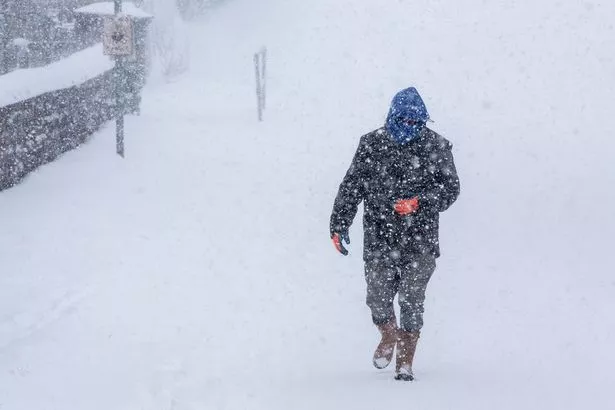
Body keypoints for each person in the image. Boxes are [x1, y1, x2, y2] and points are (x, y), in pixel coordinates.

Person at [329, 87, 460, 381]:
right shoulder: (371, 144)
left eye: (417, 123)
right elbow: (352, 186)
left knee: (413, 299)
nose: (411, 128)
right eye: (404, 121)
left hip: (420, 240)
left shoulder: (436, 146)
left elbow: (451, 189)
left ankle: (405, 361)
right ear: (392, 116)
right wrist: (339, 223)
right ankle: (389, 334)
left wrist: (419, 202)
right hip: (379, 237)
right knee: (377, 297)